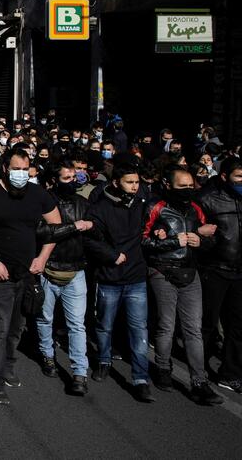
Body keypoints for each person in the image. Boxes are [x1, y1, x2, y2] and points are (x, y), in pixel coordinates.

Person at [0, 146, 61, 406]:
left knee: (17, 327)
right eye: (16, 169)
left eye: (25, 170)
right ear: (5, 168)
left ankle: (8, 365)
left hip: (26, 275)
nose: (21, 174)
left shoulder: (38, 194)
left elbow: (55, 228)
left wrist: (42, 258)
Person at [141, 166, 222, 405]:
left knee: (193, 329)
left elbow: (210, 240)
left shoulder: (196, 208)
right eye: (181, 186)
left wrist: (202, 241)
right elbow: (142, 241)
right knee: (166, 325)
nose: (188, 190)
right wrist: (174, 241)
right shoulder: (155, 207)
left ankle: (199, 382)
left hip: (190, 273)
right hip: (162, 271)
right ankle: (163, 369)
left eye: (191, 186)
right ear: (167, 185)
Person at [86, 161, 154, 402]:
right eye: (130, 182)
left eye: (137, 182)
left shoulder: (142, 203)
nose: (135, 187)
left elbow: (153, 223)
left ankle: (140, 377)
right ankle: (103, 361)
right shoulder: (99, 209)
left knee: (139, 329)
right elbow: (91, 240)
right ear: (116, 183)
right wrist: (111, 255)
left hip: (136, 277)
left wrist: (161, 230)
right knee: (104, 325)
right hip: (109, 278)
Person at [34, 161, 103, 396]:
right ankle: (47, 356)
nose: (72, 182)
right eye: (66, 178)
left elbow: (97, 230)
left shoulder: (84, 203)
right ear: (53, 180)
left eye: (74, 177)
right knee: (45, 319)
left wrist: (91, 226)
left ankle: (79, 372)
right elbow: (42, 232)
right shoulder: (41, 203)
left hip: (76, 270)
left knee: (77, 324)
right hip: (48, 268)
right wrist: (74, 227)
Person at [198, 156, 242, 394]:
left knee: (238, 326)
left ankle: (230, 373)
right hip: (214, 270)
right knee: (207, 322)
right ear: (224, 177)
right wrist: (208, 240)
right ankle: (199, 369)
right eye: (239, 177)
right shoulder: (207, 200)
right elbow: (196, 234)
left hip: (239, 273)